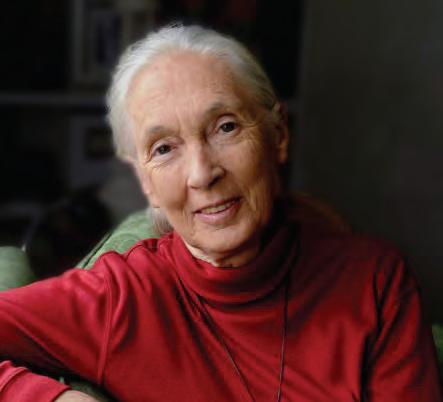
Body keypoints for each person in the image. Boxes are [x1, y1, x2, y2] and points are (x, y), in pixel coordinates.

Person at [0, 23, 441, 402]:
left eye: (225, 127)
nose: (201, 173)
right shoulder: (121, 300)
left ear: (278, 134)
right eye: (164, 149)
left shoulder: (374, 282)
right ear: (146, 182)